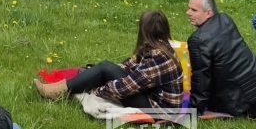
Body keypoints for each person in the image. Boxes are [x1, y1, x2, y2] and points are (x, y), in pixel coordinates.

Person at [34, 9, 184, 109]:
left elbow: (124, 88)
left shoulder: (158, 56)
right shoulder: (160, 46)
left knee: (104, 68)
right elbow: (129, 65)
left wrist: (98, 89)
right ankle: (61, 88)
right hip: (151, 97)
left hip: (158, 110)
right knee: (105, 69)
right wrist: (98, 74)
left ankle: (56, 92)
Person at [186, 0, 256, 117]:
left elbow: (201, 80)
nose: (188, 13)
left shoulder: (198, 40)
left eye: (194, 10)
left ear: (208, 13)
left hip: (251, 104)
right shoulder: (225, 19)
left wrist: (193, 111)